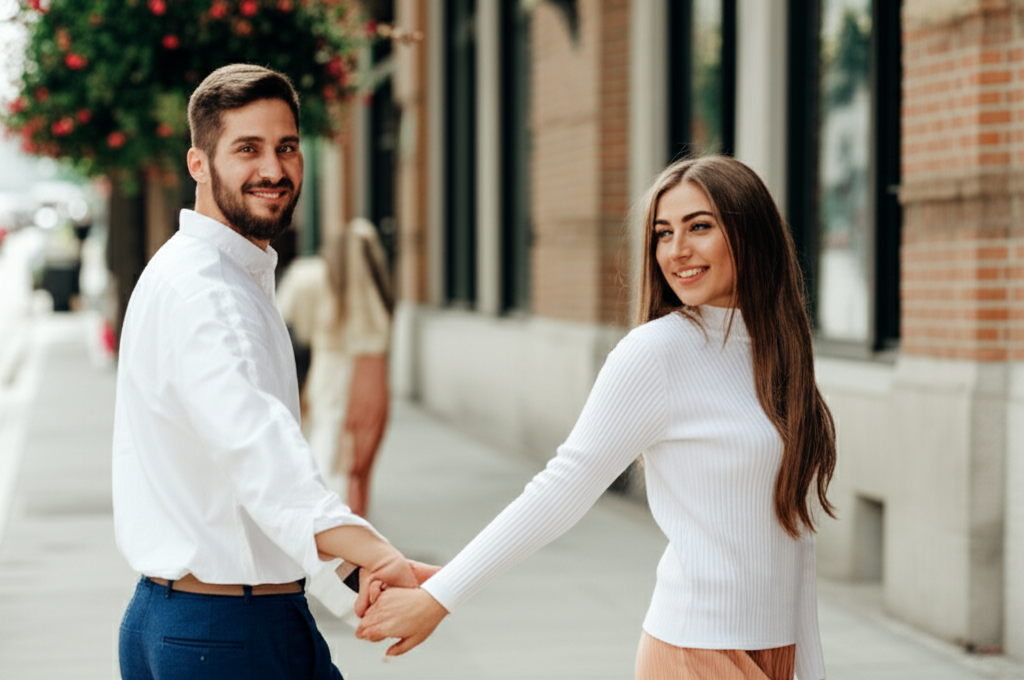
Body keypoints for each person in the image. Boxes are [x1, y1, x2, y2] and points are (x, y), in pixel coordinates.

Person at [355, 155, 837, 680]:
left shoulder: (779, 352)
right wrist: (443, 594)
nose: (677, 251)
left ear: (751, 234)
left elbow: (795, 536)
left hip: (777, 652)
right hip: (695, 650)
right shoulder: (656, 352)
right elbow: (563, 486)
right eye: (662, 233)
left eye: (700, 227)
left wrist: (807, 666)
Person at [111, 63, 427, 680]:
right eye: (247, 149)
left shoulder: (204, 271)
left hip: (194, 621)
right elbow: (262, 455)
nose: (274, 170)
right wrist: (375, 553)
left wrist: (352, 575)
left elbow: (236, 486)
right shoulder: (209, 293)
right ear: (198, 164)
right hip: (225, 636)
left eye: (287, 147)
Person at [277, 216, 393, 519]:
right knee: (336, 440)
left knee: (332, 437)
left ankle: (327, 508)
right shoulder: (350, 290)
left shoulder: (320, 280)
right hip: (339, 373)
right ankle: (330, 511)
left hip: (330, 371)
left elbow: (288, 311)